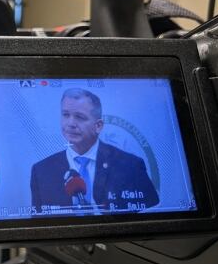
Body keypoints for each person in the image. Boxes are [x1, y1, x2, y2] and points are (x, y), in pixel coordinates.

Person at [30, 88, 158, 214]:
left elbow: (152, 217)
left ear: (98, 126)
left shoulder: (131, 166)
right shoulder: (41, 171)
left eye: (79, 117)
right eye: (66, 115)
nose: (70, 123)